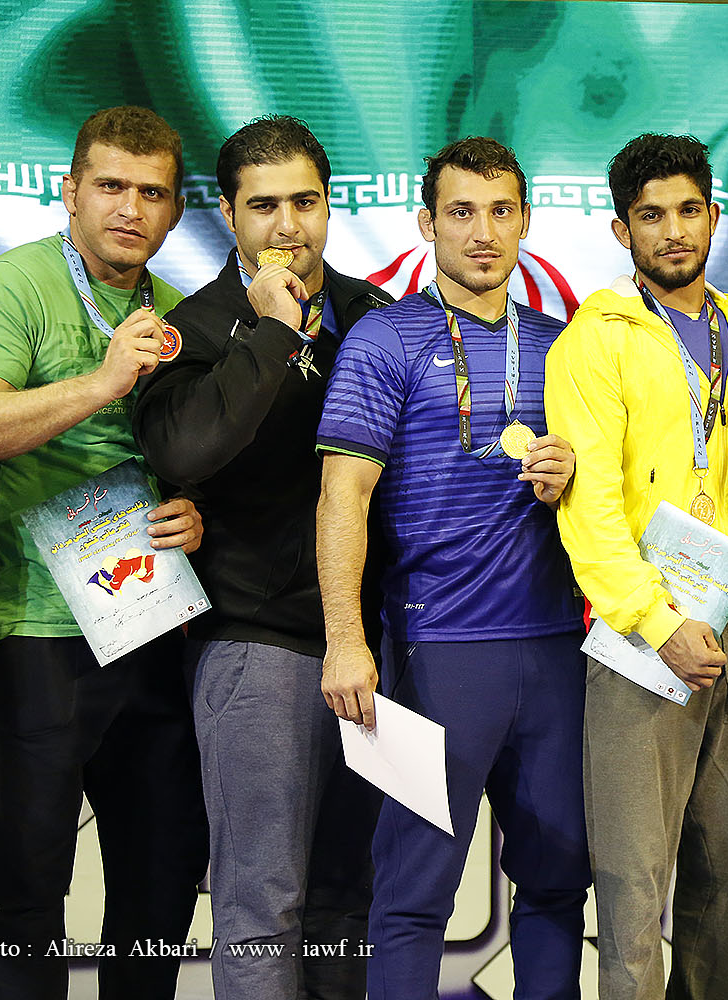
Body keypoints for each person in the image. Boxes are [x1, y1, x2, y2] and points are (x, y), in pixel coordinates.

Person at [0, 105, 208, 999]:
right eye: (111, 186)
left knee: (161, 882)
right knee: (26, 882)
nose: (130, 208)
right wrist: (100, 382)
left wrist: (194, 514)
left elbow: (194, 457)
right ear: (70, 191)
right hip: (34, 634)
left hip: (155, 625)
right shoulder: (10, 287)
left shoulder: (183, 313)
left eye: (152, 192)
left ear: (175, 210)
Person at [315, 135, 589, 1000]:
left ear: (526, 221)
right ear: (426, 223)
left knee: (557, 881)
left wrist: (573, 473)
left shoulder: (567, 345)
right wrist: (346, 640)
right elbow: (343, 497)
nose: (483, 232)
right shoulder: (383, 339)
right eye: (462, 212)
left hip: (556, 648)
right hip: (436, 651)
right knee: (413, 891)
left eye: (501, 211)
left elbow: (613, 491)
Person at [132, 114, 393, 1000]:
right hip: (259, 645)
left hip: (374, 648)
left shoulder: (377, 316)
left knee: (348, 904)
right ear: (229, 214)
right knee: (262, 903)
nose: (289, 225)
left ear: (330, 205)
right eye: (265, 206)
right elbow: (184, 453)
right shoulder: (192, 327)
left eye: (306, 202)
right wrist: (274, 333)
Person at [544, 133, 728, 1000]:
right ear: (621, 230)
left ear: (714, 217)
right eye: (651, 216)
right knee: (635, 894)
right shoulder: (592, 341)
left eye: (688, 211)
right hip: (642, 635)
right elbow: (590, 508)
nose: (673, 231)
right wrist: (656, 621)